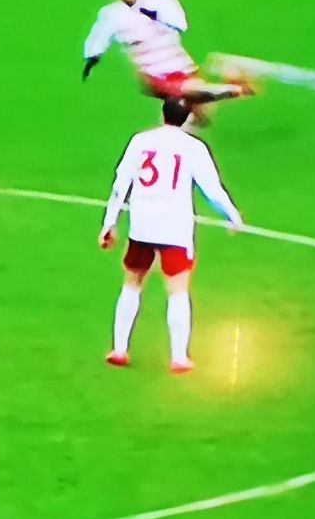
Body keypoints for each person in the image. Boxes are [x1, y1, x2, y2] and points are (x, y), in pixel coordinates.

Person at [98, 98, 245, 373]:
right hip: (175, 228)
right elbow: (212, 189)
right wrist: (232, 215)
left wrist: (109, 223)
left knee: (132, 284)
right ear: (187, 117)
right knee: (178, 290)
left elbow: (120, 184)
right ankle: (179, 357)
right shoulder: (194, 147)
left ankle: (119, 349)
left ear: (162, 113)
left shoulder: (140, 141)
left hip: (142, 225)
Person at [81, 0, 252, 120]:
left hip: (182, 65)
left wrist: (155, 16)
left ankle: (230, 83)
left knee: (198, 117)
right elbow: (99, 35)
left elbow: (181, 25)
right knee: (194, 92)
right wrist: (92, 58)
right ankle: (235, 88)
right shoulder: (112, 14)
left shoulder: (163, 0)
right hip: (155, 73)